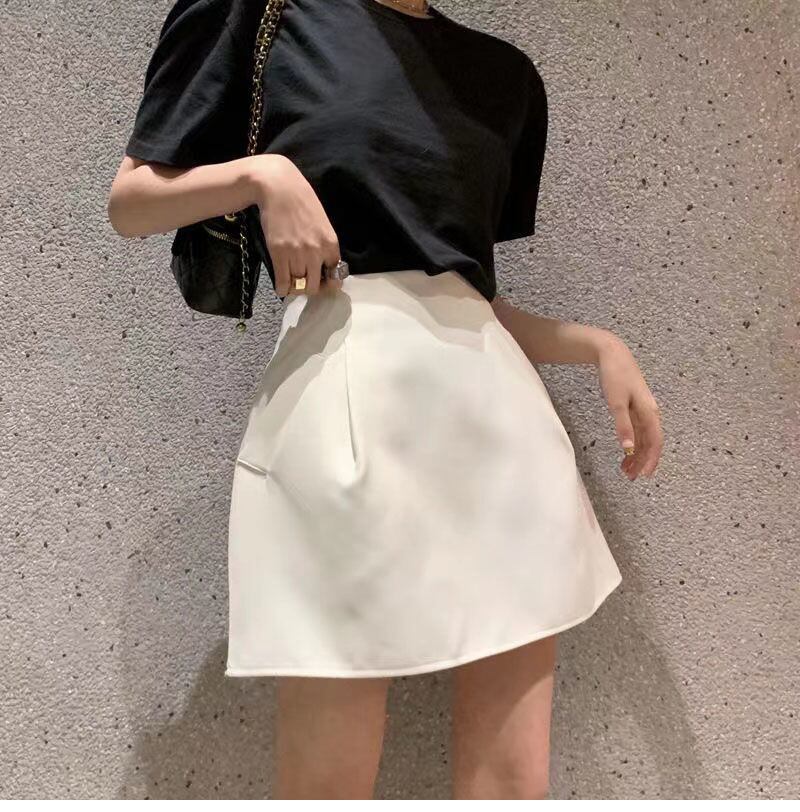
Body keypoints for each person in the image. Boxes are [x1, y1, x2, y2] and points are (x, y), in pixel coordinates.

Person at [107, 0, 663, 799]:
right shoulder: (270, 16)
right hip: (340, 408)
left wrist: (597, 346)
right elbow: (131, 201)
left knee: (512, 783)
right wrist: (264, 176)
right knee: (327, 785)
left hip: (499, 426)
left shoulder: (503, 79)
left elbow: (459, 295)